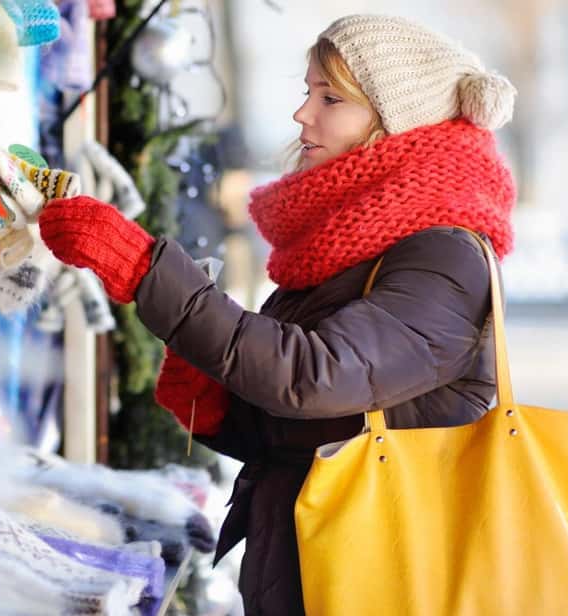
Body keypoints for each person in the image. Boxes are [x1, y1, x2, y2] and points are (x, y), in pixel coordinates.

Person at [38, 13, 517, 615]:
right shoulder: (351, 249)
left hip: (387, 583)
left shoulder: (443, 254)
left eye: (331, 98)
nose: (302, 115)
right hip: (308, 573)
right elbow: (312, 433)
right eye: (307, 92)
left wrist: (148, 272)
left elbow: (314, 377)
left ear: (394, 124)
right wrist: (219, 410)